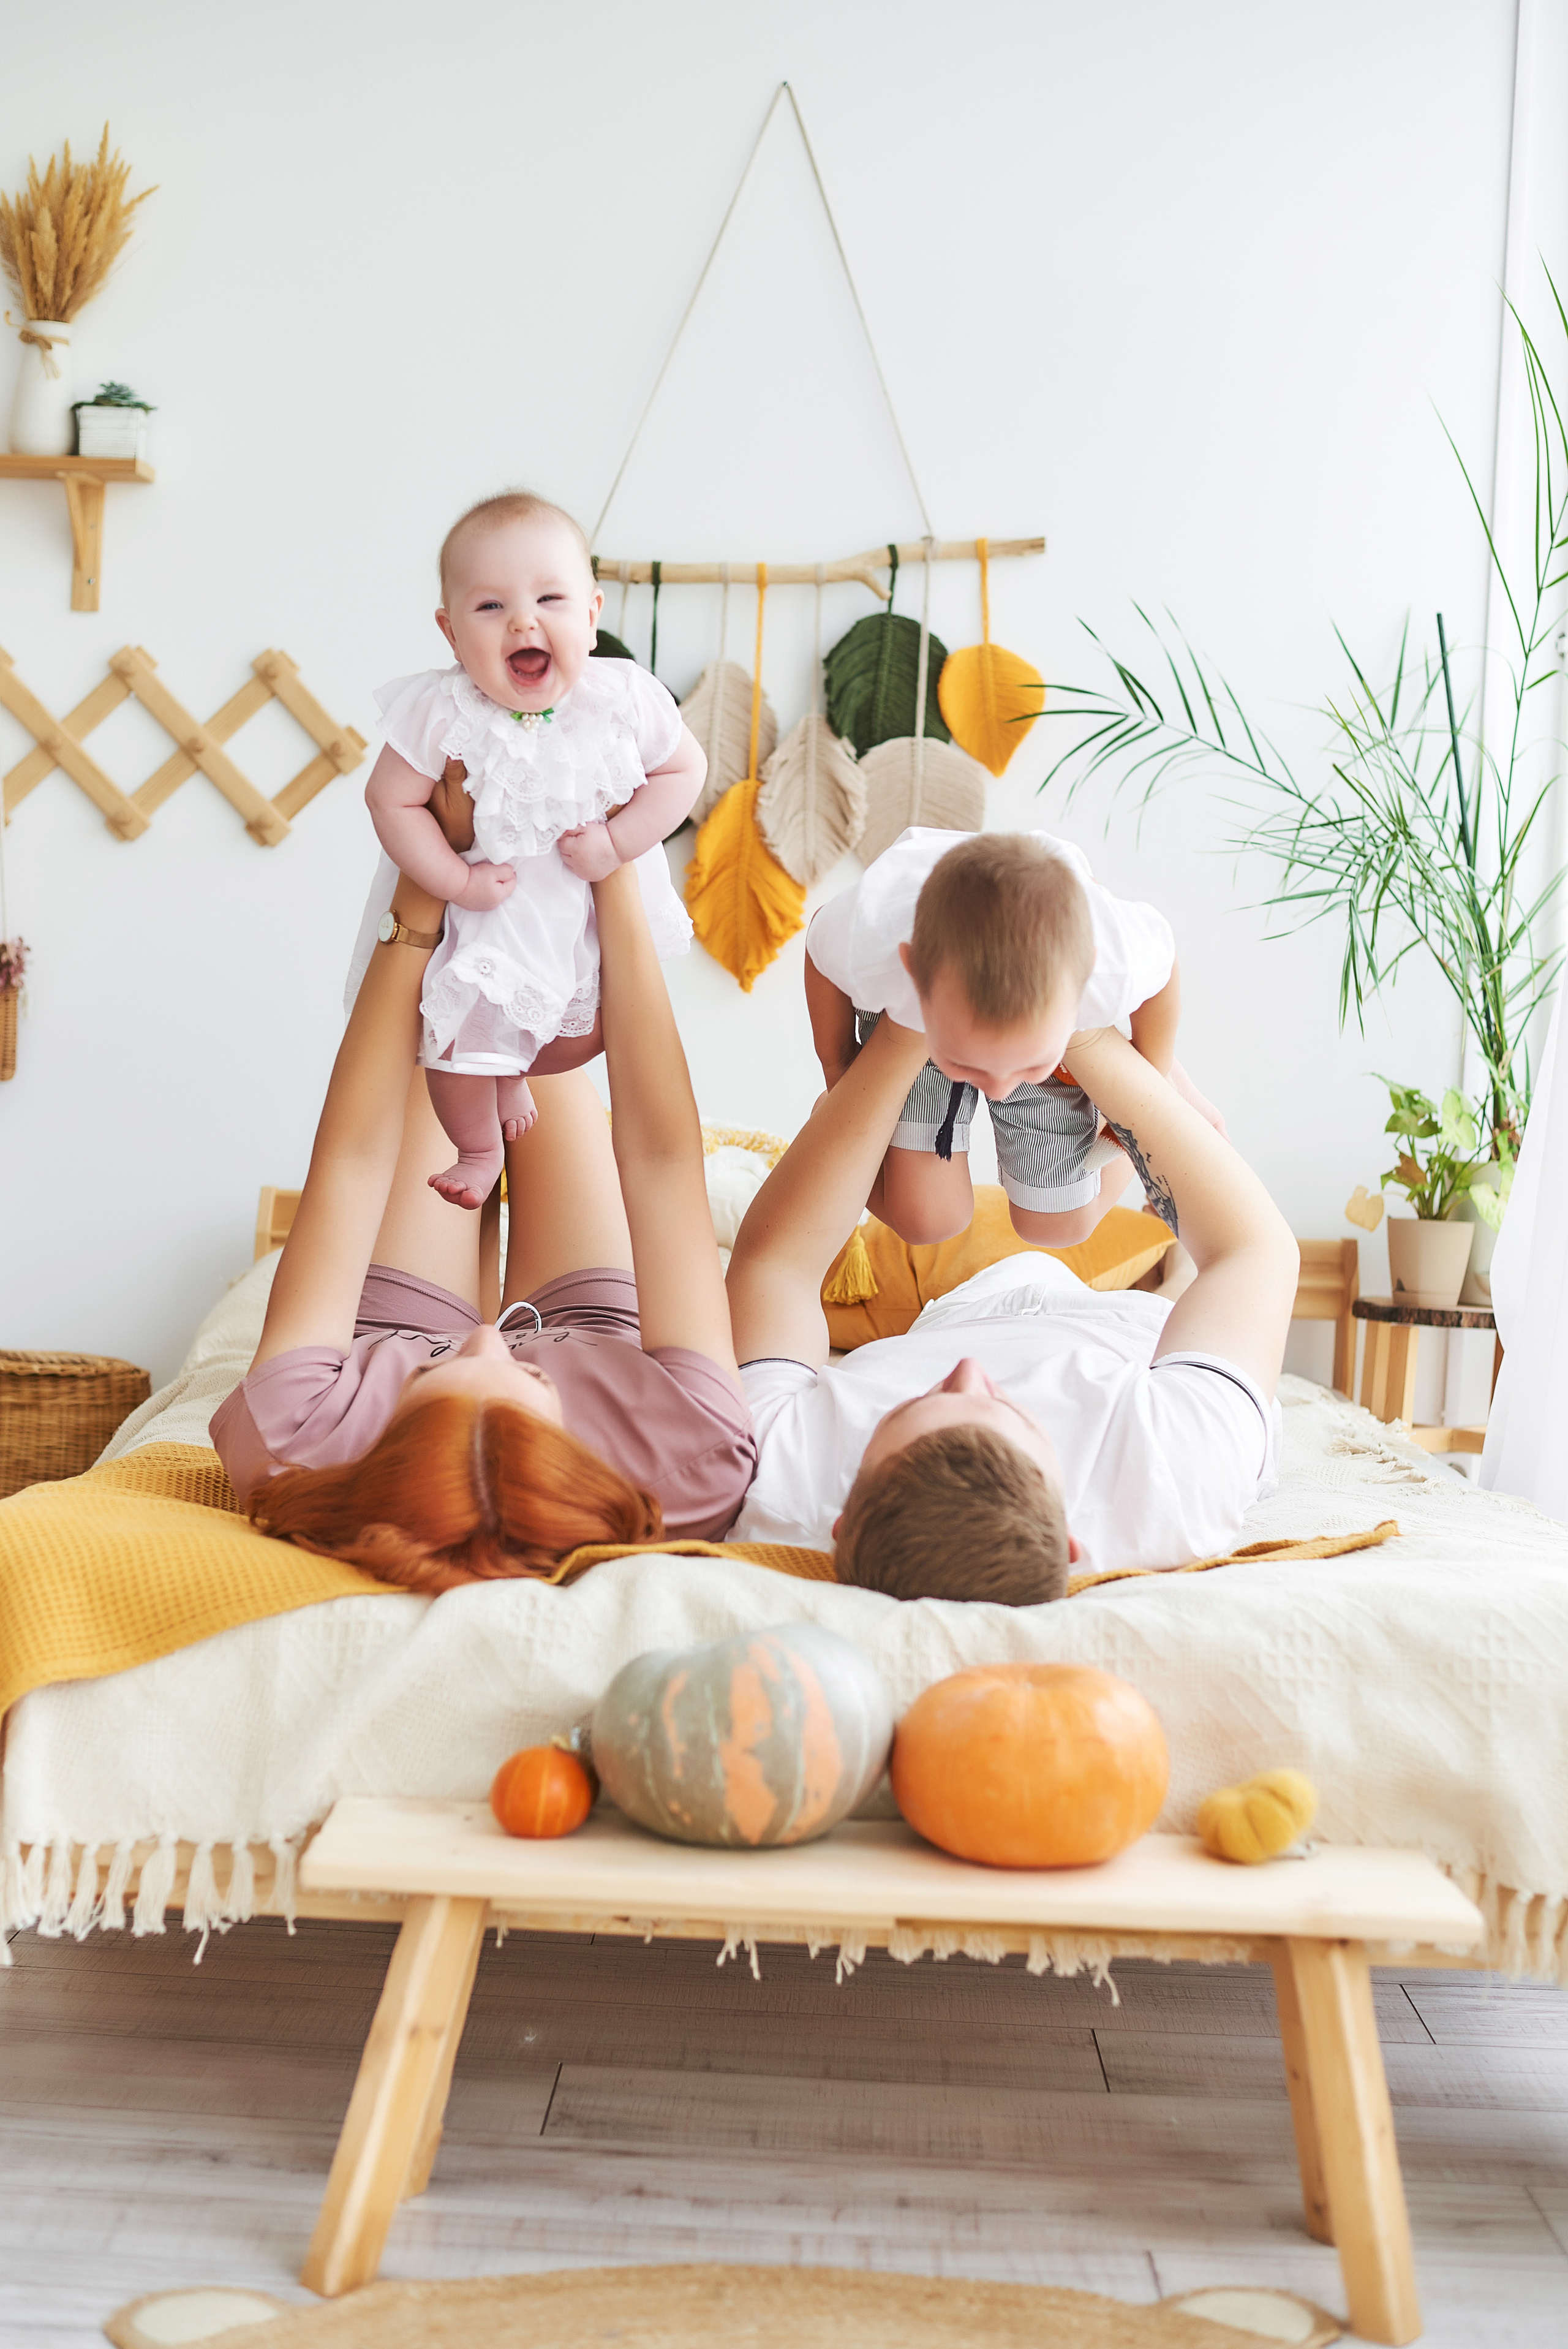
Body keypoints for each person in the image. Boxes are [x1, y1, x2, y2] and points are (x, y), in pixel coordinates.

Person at [211, 857, 754, 1594]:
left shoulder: (298, 1438)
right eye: (525, 1373)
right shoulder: (691, 1453)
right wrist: (615, 869)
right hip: (600, 1343)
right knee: (544, 1062)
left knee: (448, 1042)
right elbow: (662, 1166)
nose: (488, 1333)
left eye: (443, 1373)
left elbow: (351, 1163)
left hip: (392, 1336)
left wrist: (426, 881)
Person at [725, 1007, 1297, 1605]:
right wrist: (1084, 1031)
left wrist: (903, 1028)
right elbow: (1251, 1251)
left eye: (927, 1403)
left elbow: (776, 1267)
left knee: (928, 1211)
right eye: (1009, 1409)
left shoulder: (780, 1484)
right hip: (1130, 1335)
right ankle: (1164, 1248)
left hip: (954, 1314)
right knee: (1175, 1289)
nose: (971, 1374)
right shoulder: (1173, 1482)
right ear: (1074, 1543)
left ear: (837, 1524)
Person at [356, 491, 706, 1209]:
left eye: (550, 598)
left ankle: (515, 1076)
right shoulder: (442, 709)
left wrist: (618, 841)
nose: (523, 620)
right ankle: (479, 1149)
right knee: (451, 1047)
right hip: (495, 925)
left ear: (591, 614)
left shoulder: (624, 699)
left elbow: (684, 772)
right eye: (490, 608)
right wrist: (455, 879)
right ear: (451, 633)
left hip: (589, 929)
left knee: (597, 1037)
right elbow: (389, 801)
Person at [804, 828, 1216, 1249]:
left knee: (1059, 1226)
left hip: (1028, 1016)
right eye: (969, 1064)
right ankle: (984, 1059)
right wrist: (840, 1073)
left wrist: (1149, 1072)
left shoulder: (1112, 961)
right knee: (926, 1221)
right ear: (914, 968)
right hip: (919, 1017)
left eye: (1026, 1066)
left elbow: (1163, 969)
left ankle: (1139, 1077)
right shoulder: (872, 940)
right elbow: (820, 940)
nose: (999, 1086)